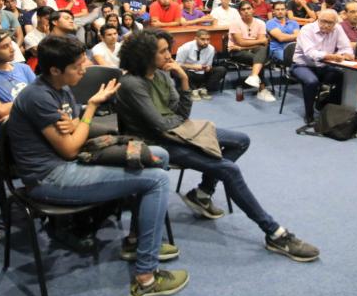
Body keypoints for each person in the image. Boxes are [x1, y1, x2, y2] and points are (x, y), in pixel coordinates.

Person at [4, 35, 186, 296]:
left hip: (66, 163)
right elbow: (70, 148)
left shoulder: (62, 87)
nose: (84, 69)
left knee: (159, 153)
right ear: (55, 69)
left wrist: (78, 123)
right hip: (50, 178)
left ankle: (136, 239)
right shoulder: (38, 97)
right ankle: (146, 278)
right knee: (156, 179)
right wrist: (90, 108)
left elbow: (76, 129)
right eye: (78, 66)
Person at [115, 30, 319, 260]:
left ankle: (202, 193)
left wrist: (183, 80)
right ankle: (274, 233)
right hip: (156, 144)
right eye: (162, 51)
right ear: (144, 55)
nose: (168, 55)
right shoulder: (132, 83)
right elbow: (159, 125)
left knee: (241, 141)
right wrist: (185, 126)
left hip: (178, 132)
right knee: (228, 169)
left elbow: (182, 113)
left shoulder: (162, 75)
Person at [292, 10, 354, 125]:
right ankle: (309, 115)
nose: (325, 25)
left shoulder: (338, 29)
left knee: (342, 76)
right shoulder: (306, 29)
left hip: (324, 66)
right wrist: (330, 56)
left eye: (330, 23)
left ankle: (328, 106)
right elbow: (310, 53)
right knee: (312, 82)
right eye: (323, 21)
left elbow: (346, 47)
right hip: (303, 65)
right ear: (318, 19)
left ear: (335, 23)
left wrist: (346, 54)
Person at [228, 1, 276, 102]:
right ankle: (262, 89)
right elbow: (241, 42)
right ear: (239, 12)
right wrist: (243, 46)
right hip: (236, 52)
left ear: (253, 10)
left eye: (248, 8)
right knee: (260, 59)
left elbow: (262, 44)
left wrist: (244, 45)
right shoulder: (234, 23)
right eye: (243, 9)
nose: (246, 11)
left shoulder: (261, 23)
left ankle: (254, 76)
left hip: (252, 50)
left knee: (261, 51)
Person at [174, 29, 226, 99]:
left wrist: (208, 67)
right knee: (178, 71)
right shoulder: (185, 48)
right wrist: (192, 66)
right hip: (189, 73)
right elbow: (177, 65)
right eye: (203, 39)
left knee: (221, 69)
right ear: (196, 39)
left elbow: (209, 65)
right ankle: (192, 90)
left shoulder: (211, 49)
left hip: (202, 73)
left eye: (208, 39)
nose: (206, 42)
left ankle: (203, 88)